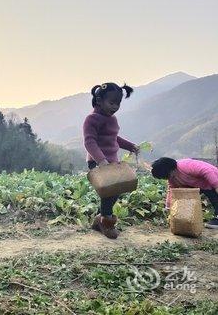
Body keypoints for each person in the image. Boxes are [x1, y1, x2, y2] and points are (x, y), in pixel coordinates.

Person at [83, 82, 138, 239]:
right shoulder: (91, 119)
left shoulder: (112, 119)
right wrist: (101, 160)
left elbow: (114, 138)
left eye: (118, 103)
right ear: (99, 101)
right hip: (97, 161)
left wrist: (130, 146)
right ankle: (106, 222)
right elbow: (89, 142)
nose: (115, 106)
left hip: (112, 161)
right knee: (109, 192)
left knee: (116, 189)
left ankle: (99, 220)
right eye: (112, 102)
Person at [151, 157, 218, 229]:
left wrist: (216, 185)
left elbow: (207, 171)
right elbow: (171, 190)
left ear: (171, 170)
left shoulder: (185, 166)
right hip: (202, 185)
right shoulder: (172, 178)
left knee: (216, 199)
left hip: (214, 178)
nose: (167, 178)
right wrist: (168, 207)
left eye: (166, 176)